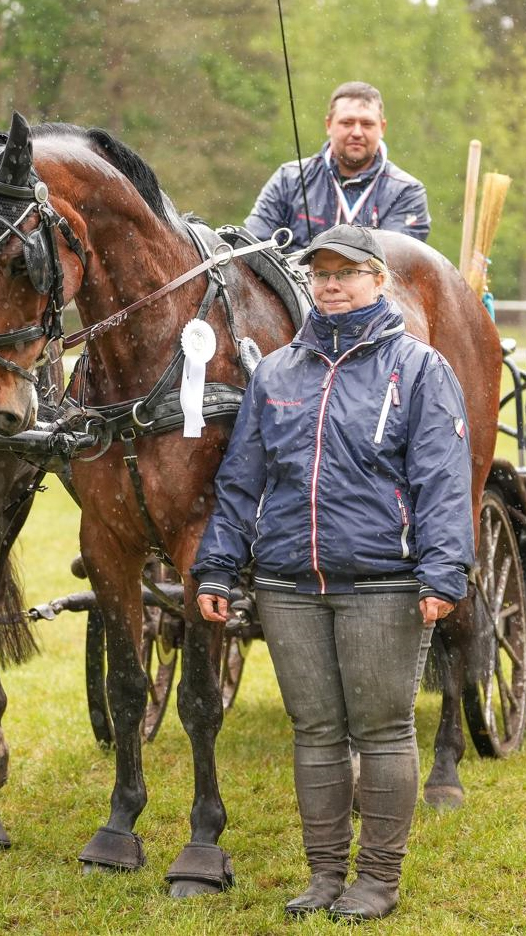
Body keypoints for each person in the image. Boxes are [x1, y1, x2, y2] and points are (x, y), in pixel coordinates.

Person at [192, 224, 473, 922]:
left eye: (346, 272)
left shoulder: (417, 369)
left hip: (382, 580)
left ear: (379, 281)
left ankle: (376, 878)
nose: (331, 284)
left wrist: (442, 573)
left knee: (380, 730)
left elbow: (441, 479)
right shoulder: (279, 373)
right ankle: (323, 876)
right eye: (319, 274)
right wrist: (217, 568)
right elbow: (240, 482)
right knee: (314, 731)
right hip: (288, 583)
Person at [244, 82, 430, 248]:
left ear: (382, 128)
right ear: (328, 124)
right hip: (291, 287)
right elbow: (252, 245)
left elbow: (396, 264)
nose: (357, 132)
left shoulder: (407, 191)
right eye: (347, 123)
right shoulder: (289, 179)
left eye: (366, 124)